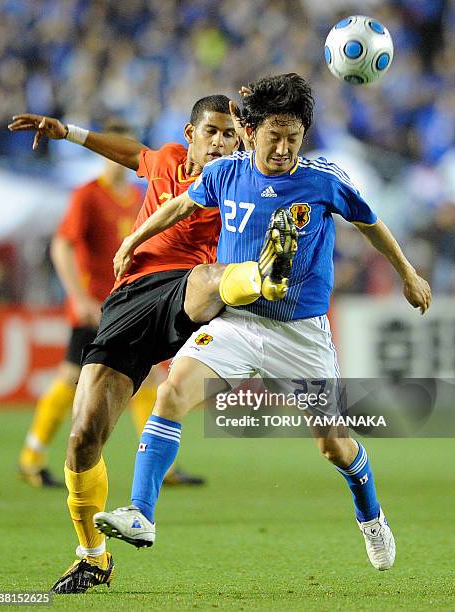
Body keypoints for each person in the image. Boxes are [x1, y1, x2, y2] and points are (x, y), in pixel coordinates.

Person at [94, 74, 432, 576]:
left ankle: (371, 515)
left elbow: (369, 222)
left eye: (293, 138)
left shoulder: (322, 180)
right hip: (237, 324)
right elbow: (182, 204)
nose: (283, 148)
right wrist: (132, 241)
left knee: (333, 446)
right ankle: (142, 513)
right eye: (274, 136)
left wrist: (407, 272)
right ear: (252, 132)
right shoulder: (227, 173)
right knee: (171, 393)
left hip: (301, 336)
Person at [8, 94, 294, 594]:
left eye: (232, 134)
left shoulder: (240, 181)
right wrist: (68, 131)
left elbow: (281, 175)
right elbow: (130, 152)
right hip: (128, 302)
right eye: (213, 132)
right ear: (190, 135)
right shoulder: (163, 160)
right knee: (82, 440)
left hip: (189, 293)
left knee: (207, 276)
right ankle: (93, 558)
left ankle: (263, 276)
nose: (223, 142)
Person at [18, 119, 203, 488]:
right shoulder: (88, 194)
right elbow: (62, 245)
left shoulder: (138, 196)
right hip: (93, 304)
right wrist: (78, 296)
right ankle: (32, 455)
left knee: (150, 375)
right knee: (72, 377)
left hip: (128, 299)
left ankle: (161, 464)